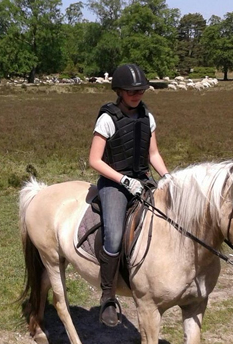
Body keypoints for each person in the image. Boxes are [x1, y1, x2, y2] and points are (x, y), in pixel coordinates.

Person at [88, 63, 170, 327]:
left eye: (141, 90)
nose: (137, 95)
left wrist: (167, 177)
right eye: (131, 91)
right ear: (120, 91)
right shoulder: (107, 118)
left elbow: (153, 154)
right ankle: (108, 296)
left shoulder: (148, 116)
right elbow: (94, 160)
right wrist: (123, 180)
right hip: (114, 183)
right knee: (113, 234)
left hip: (143, 180)